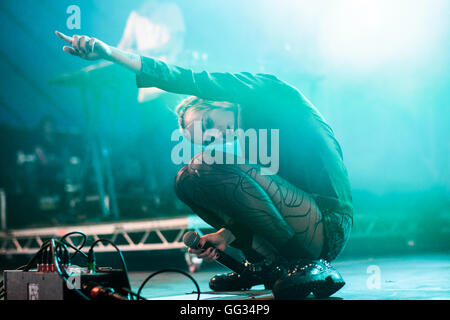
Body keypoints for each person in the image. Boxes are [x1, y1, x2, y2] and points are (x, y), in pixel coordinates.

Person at [55, 30, 353, 299]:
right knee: (186, 181)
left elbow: (182, 77)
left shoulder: (262, 91)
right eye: (206, 138)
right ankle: (267, 266)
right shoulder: (249, 137)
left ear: (216, 101)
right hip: (303, 224)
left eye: (208, 123)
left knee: (202, 167)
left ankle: (308, 264)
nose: (214, 135)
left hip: (328, 222)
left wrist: (109, 53)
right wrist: (224, 235)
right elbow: (266, 205)